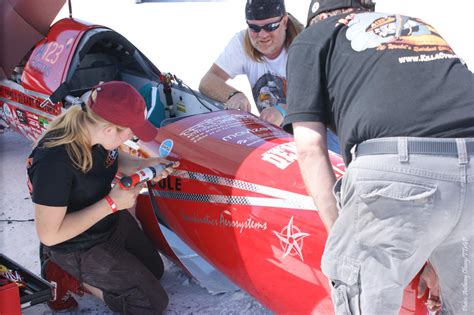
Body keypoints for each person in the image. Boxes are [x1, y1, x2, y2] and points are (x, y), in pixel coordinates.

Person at [283, 0, 474, 314]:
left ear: (316, 17)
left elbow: (309, 147)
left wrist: (345, 239)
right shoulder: (416, 25)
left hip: (398, 172)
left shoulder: (313, 38)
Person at [27, 81, 178, 314]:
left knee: (155, 271)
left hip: (107, 222)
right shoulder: (54, 162)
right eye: (131, 132)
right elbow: (49, 234)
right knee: (149, 304)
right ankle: (63, 272)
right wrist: (112, 203)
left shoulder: (96, 133)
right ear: (110, 129)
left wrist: (146, 164)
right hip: (75, 243)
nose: (134, 138)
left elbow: (112, 159)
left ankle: (95, 273)